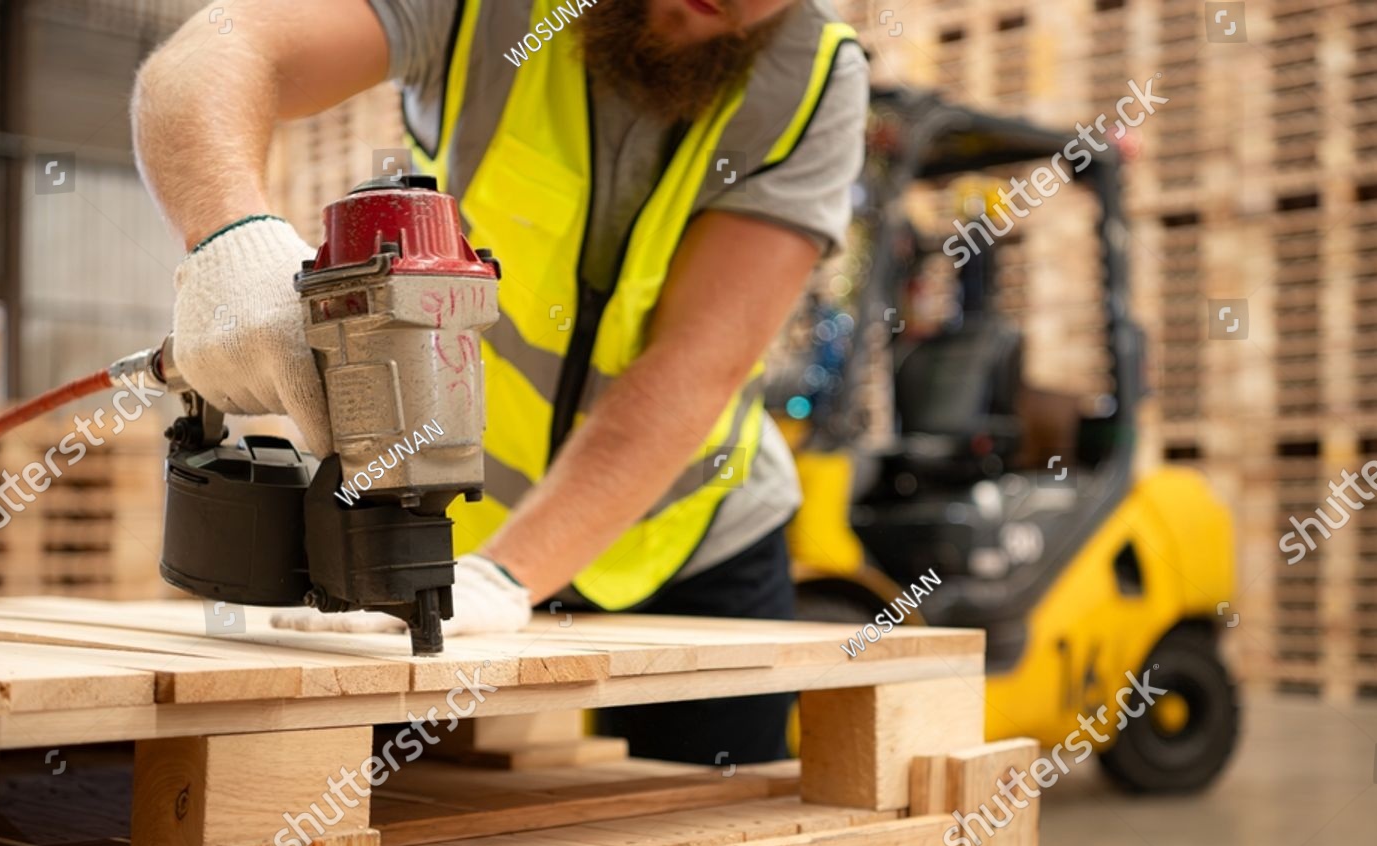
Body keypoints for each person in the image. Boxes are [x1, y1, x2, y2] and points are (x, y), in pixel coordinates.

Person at [131, 0, 868, 763]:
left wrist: (509, 575)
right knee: (380, 817)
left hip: (689, 539)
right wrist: (229, 238)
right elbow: (214, 51)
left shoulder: (815, 78)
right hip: (436, 532)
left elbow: (695, 365)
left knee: (716, 845)